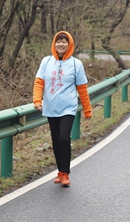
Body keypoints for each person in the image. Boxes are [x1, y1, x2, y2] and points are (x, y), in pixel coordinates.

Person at [33, 31, 92, 187]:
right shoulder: (46, 61)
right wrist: (37, 100)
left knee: (64, 138)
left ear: (69, 44)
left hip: (68, 108)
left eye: (64, 41)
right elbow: (39, 82)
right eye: (58, 41)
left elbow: (82, 88)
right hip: (51, 108)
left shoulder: (76, 64)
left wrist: (87, 109)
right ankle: (60, 171)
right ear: (54, 43)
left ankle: (65, 173)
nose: (61, 44)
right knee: (56, 140)